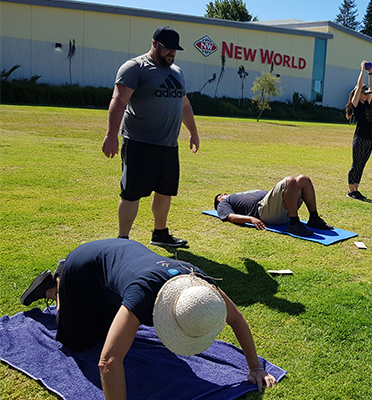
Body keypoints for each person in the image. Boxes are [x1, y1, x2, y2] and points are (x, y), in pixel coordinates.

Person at [20, 239, 277, 399]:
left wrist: (254, 367)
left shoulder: (200, 285)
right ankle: (56, 285)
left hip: (122, 259)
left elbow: (237, 319)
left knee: (106, 326)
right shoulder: (143, 293)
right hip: (84, 267)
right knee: (79, 343)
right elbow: (107, 363)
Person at [102, 26, 199, 248]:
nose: (172, 54)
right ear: (155, 44)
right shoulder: (136, 68)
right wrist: (111, 135)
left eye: (175, 50)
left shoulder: (177, 71)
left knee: (165, 191)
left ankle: (160, 234)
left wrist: (193, 132)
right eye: (168, 49)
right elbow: (118, 101)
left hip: (168, 144)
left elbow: (184, 104)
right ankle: (123, 239)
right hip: (139, 142)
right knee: (131, 193)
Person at [214, 175, 333, 237]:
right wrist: (250, 219)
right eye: (220, 196)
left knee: (303, 179)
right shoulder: (224, 203)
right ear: (219, 202)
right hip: (263, 212)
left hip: (279, 207)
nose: (224, 194)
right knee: (289, 180)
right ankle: (294, 223)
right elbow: (230, 216)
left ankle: (314, 218)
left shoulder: (238, 195)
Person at [345, 60, 372, 201]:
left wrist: (371, 72)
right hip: (360, 139)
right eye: (364, 93)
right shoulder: (356, 104)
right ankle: (351, 191)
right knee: (356, 164)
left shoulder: (367, 103)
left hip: (370, 139)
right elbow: (358, 86)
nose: (366, 94)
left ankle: (356, 189)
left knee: (362, 165)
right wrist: (362, 70)